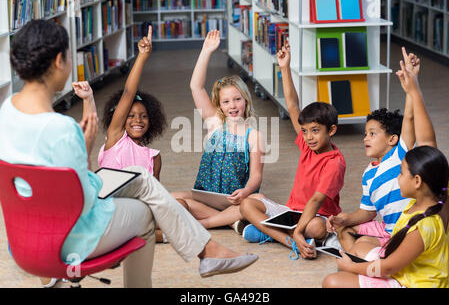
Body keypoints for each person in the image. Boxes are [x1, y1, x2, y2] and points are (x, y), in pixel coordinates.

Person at [0, 19, 258, 288]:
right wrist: (86, 151)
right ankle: (205, 252)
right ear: (58, 61)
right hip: (68, 239)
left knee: (138, 177)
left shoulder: (6, 112)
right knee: (145, 211)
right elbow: (84, 203)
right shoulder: (62, 130)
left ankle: (208, 251)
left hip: (23, 238)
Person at [239, 44, 346, 260]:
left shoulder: (335, 162)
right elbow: (292, 105)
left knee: (317, 228)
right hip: (290, 212)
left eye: (315, 131)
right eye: (305, 131)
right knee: (247, 203)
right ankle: (288, 241)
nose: (308, 137)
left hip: (316, 215)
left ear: (331, 130)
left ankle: (272, 234)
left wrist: (299, 229)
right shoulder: (308, 145)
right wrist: (285, 67)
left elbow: (316, 200)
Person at [326, 47, 419, 253]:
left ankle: (368, 258)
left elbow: (410, 118)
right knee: (345, 230)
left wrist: (412, 83)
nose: (365, 138)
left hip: (409, 232)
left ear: (393, 139)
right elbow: (367, 213)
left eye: (372, 134)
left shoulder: (400, 154)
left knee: (361, 246)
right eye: (366, 134)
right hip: (387, 231)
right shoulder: (368, 174)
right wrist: (344, 218)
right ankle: (364, 258)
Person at [171, 30, 265, 233]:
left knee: (257, 200)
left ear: (246, 100)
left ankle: (207, 223)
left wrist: (246, 191)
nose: (232, 105)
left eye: (237, 99)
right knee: (169, 198)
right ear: (219, 105)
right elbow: (196, 86)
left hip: (235, 200)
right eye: (226, 101)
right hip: (206, 197)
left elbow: (256, 176)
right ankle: (232, 222)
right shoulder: (214, 123)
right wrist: (206, 51)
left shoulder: (254, 136)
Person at [322, 146, 449, 288]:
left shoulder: (423, 227)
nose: (397, 177)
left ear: (417, 181)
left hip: (411, 283)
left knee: (331, 282)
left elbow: (388, 268)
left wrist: (351, 267)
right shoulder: (420, 203)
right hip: (404, 270)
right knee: (360, 247)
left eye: (401, 173)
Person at [98, 26, 166, 181]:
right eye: (131, 116)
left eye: (144, 116)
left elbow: (156, 196)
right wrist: (142, 57)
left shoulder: (154, 157)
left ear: (152, 121)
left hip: (140, 204)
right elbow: (128, 93)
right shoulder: (116, 139)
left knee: (183, 201)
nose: (138, 120)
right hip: (114, 203)